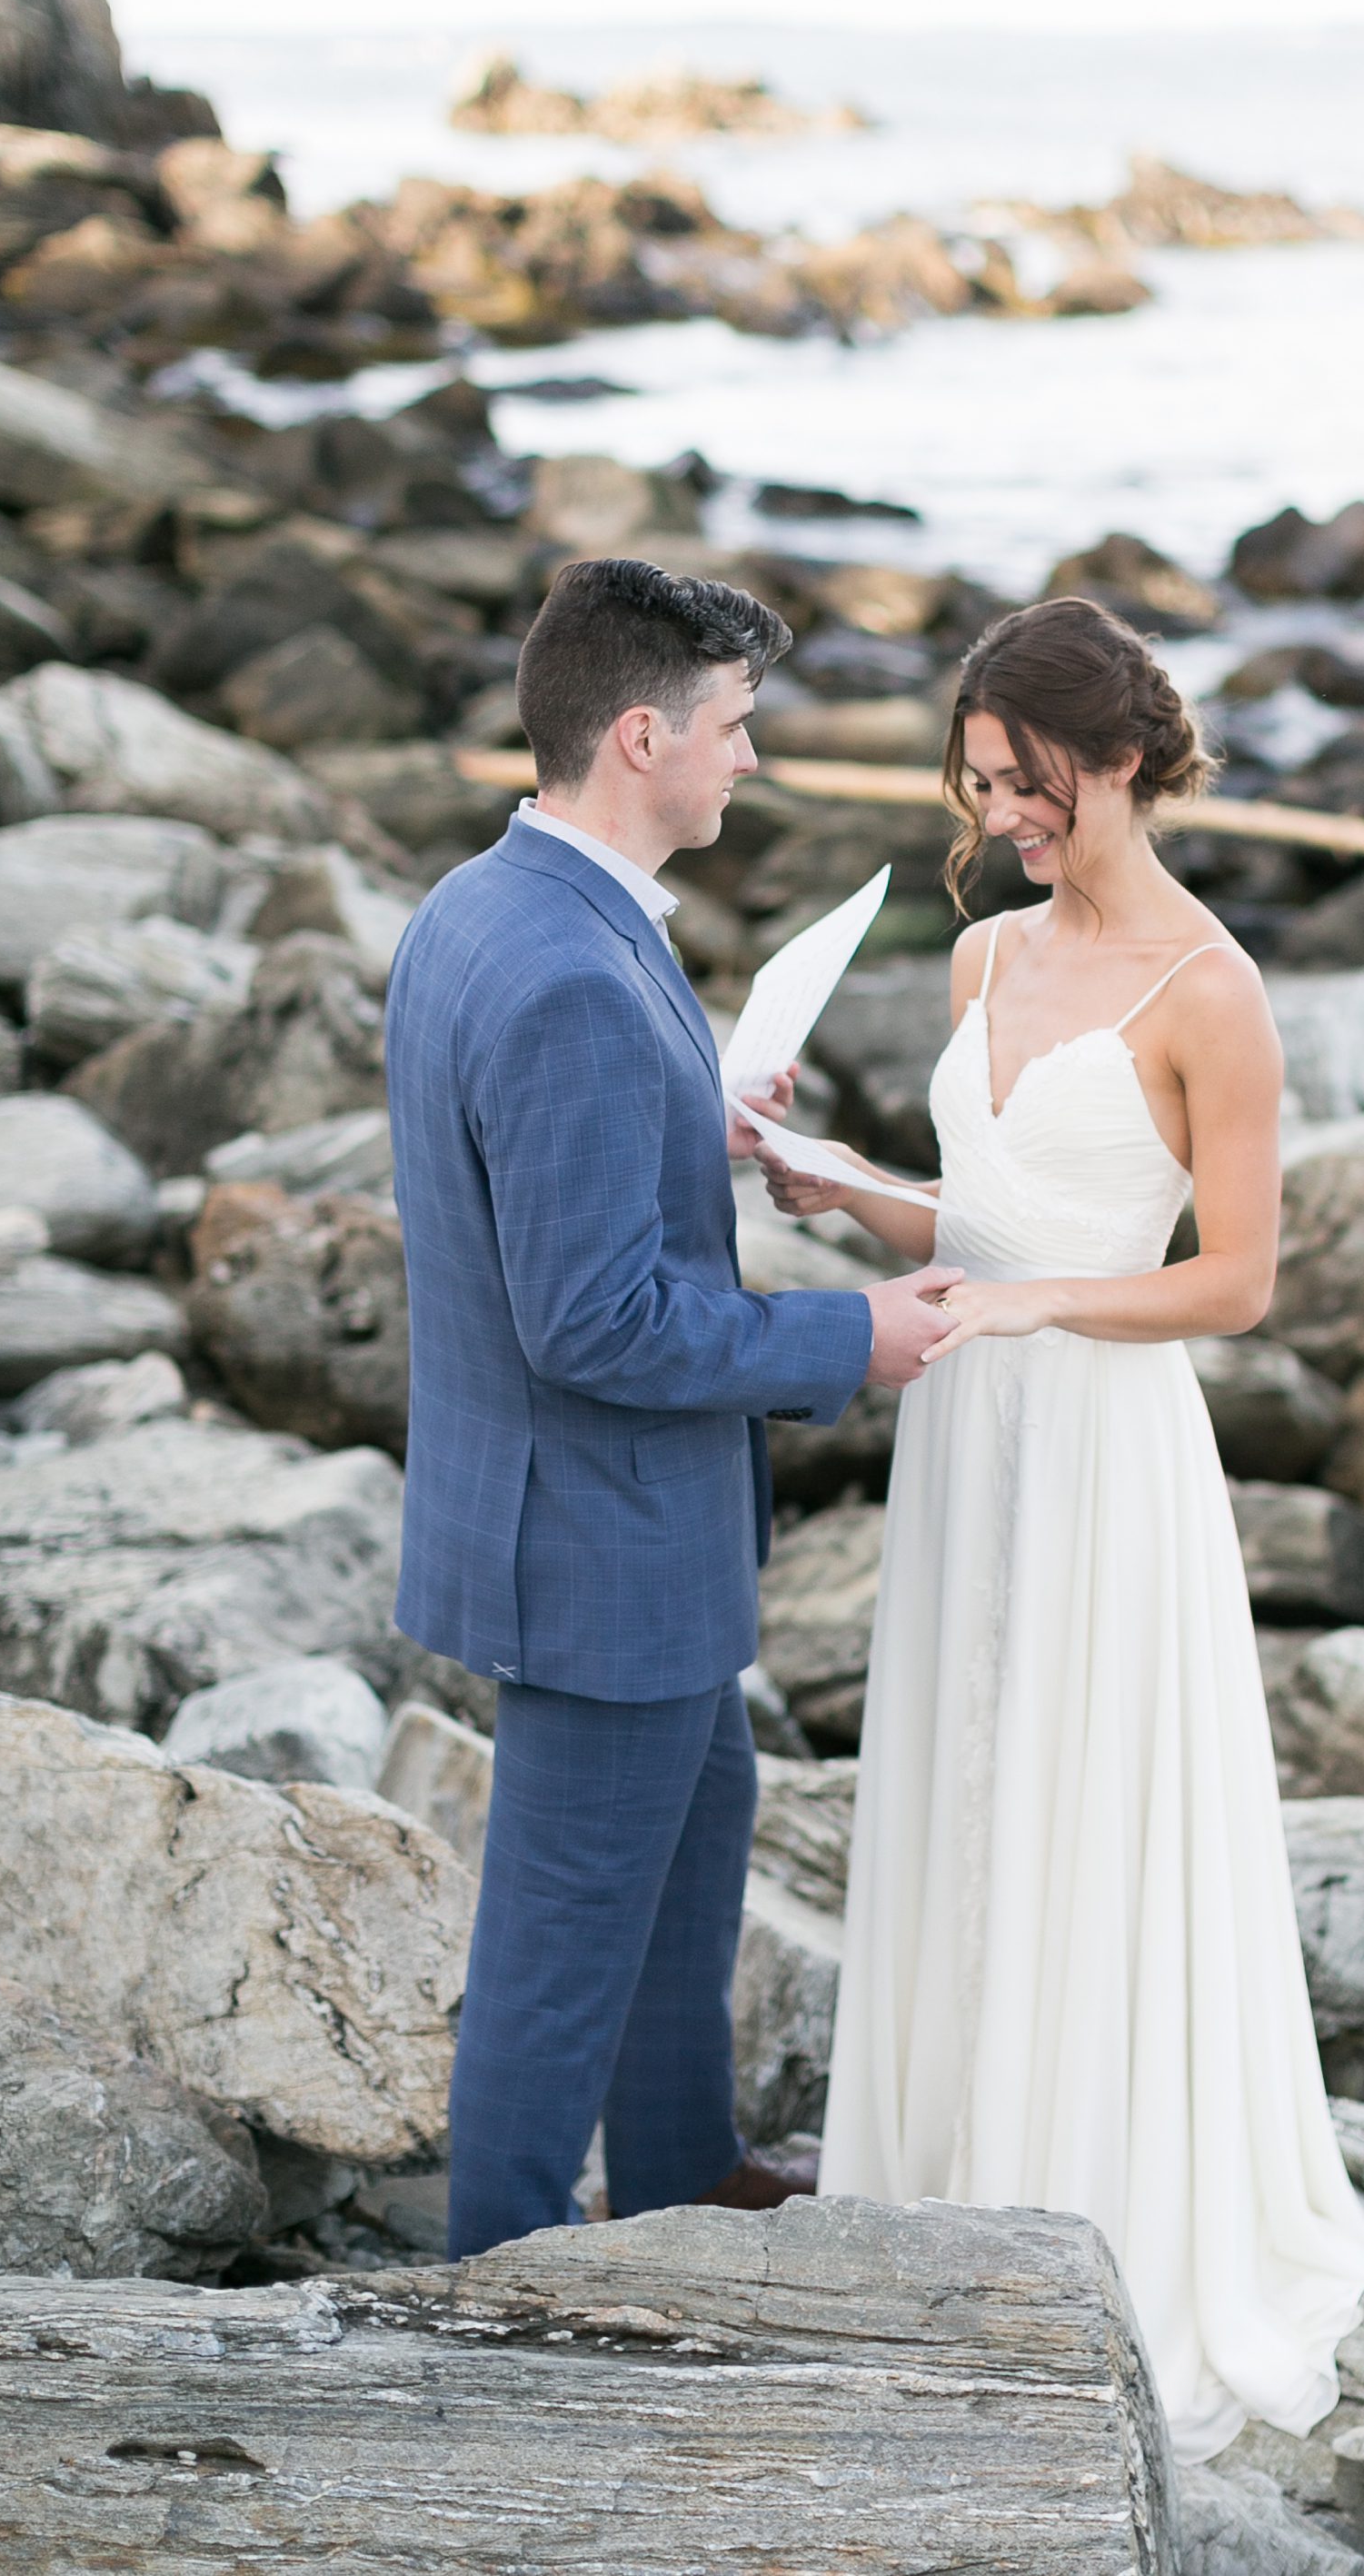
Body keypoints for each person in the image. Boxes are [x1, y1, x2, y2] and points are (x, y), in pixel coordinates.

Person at [760, 593, 1364, 2461]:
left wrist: (1044, 1303)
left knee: (1083, 1793)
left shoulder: (1211, 989)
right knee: (968, 1781)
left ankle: (1093, 2212)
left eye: (1024, 780)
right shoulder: (981, 954)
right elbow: (981, 1221)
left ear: (1119, 759)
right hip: (968, 1433)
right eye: (976, 783)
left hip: (1109, 1449)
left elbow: (1238, 1281)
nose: (1001, 814)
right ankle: (949, 2179)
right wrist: (841, 1187)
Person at [385, 555, 960, 2259]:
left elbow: (514, 1149)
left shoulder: (489, 902)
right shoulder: (568, 971)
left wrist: (690, 1113)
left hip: (596, 1525)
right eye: (734, 723)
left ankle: (682, 2168)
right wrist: (847, 1337)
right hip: (597, 1542)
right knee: (561, 1937)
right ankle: (496, 2270)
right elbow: (592, 1321)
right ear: (641, 736)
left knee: (699, 1839)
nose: (752, 757)